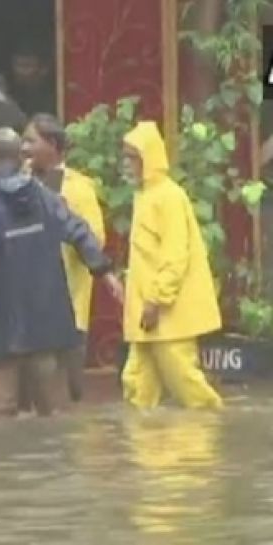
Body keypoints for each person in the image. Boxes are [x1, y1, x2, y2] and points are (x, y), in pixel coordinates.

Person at [0, 127, 120, 418]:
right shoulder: (46, 198)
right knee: (55, 418)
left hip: (4, 330)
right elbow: (79, 232)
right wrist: (105, 272)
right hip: (49, 327)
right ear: (21, 158)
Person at [120, 121, 223, 410]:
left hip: (167, 313)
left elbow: (175, 255)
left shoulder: (169, 197)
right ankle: (141, 438)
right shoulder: (145, 196)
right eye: (125, 157)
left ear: (148, 158)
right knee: (137, 384)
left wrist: (156, 300)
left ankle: (213, 426)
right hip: (148, 315)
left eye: (132, 157)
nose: (126, 164)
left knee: (185, 381)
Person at [22, 113, 106, 402]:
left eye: (31, 141)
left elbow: (96, 241)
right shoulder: (20, 185)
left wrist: (63, 215)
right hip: (29, 307)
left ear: (53, 145)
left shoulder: (79, 187)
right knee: (34, 396)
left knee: (68, 395)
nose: (25, 148)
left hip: (69, 306)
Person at [0, 42, 56, 120]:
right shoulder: (1, 86)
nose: (20, 71)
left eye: (26, 66)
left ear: (44, 69)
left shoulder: (58, 89)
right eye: (17, 65)